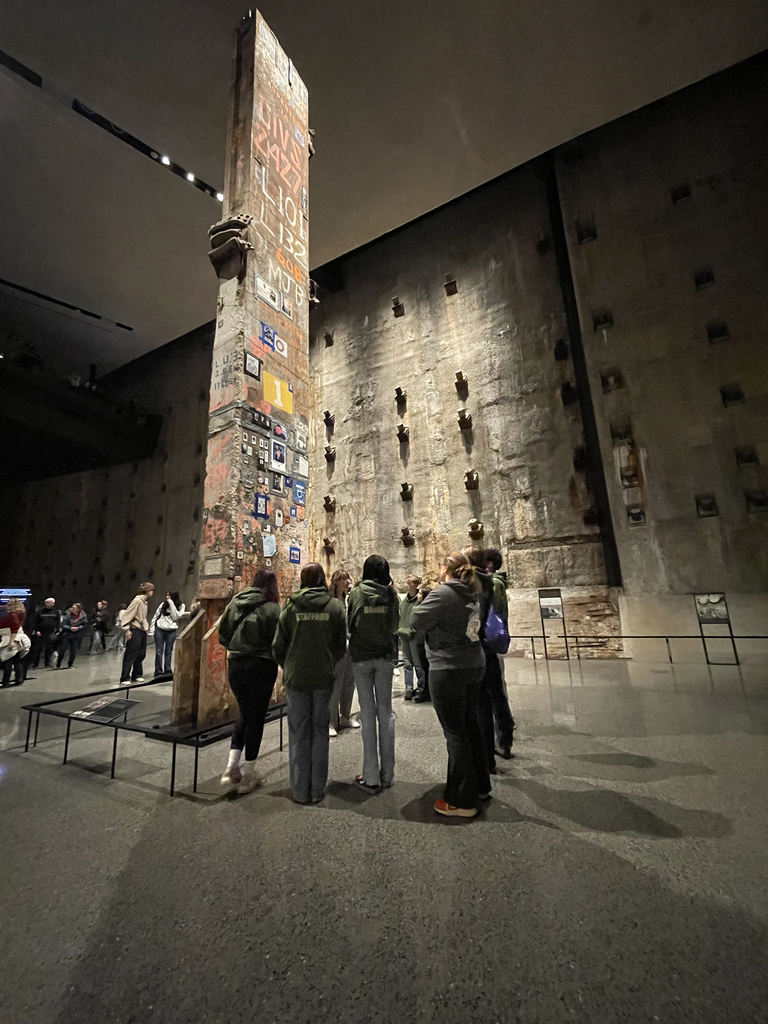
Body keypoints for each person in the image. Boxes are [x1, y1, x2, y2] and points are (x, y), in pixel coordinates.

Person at [410, 552, 489, 818]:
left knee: (455, 732)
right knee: (470, 725)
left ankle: (462, 801)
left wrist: (423, 601)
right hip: (474, 663)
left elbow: (416, 621)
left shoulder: (443, 593)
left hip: (449, 667)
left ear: (445, 569)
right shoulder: (473, 592)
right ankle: (480, 786)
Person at [273, 563, 346, 804]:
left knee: (298, 732)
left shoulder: (291, 607)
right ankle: (316, 790)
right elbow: (339, 646)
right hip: (323, 677)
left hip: (297, 678)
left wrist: (290, 663)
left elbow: (278, 645)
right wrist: (327, 662)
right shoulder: (334, 607)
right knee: (319, 732)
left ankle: (299, 790)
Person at [218, 570, 281, 793]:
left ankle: (230, 768)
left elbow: (223, 633)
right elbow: (277, 640)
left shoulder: (237, 602)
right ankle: (249, 773)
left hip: (236, 665)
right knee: (256, 718)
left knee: (245, 713)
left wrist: (238, 648)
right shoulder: (272, 608)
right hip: (261, 666)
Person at [347, 555, 399, 793]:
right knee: (386, 712)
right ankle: (388, 774)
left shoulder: (356, 593)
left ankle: (371, 775)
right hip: (386, 657)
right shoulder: (391, 595)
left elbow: (350, 626)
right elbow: (395, 625)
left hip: (362, 658)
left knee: (367, 714)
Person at [484, 548, 516, 759]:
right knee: (496, 691)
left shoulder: (494, 584)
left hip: (489, 642)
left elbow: (492, 612)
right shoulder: (496, 583)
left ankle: (503, 738)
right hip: (491, 641)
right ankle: (502, 735)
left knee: (495, 693)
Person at [328, 569, 359, 736]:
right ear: (336, 581)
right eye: (344, 579)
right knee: (336, 685)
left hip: (350, 646)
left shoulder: (348, 599)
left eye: (348, 578)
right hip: (337, 648)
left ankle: (345, 716)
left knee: (349, 682)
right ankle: (331, 721)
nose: (348, 581)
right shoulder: (331, 601)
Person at [119, 583, 155, 684]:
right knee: (131, 654)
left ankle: (137, 674)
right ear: (147, 591)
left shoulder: (144, 602)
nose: (153, 592)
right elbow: (127, 615)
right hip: (135, 630)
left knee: (141, 654)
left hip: (142, 630)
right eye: (151, 590)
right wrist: (126, 629)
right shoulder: (137, 601)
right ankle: (125, 677)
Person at [398, 575, 425, 701]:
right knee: (407, 663)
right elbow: (400, 616)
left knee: (418, 663)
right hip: (404, 634)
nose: (408, 585)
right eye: (407, 583)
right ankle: (408, 688)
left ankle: (421, 687)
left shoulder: (419, 601)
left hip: (415, 636)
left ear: (415, 585)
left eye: (410, 583)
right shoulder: (403, 602)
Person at [149, 591, 185, 677]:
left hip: (171, 631)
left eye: (169, 595)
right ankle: (158, 670)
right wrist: (151, 630)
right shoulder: (162, 605)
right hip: (160, 630)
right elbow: (156, 616)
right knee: (159, 651)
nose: (167, 597)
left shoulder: (181, 606)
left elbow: (175, 616)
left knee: (168, 651)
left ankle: (168, 669)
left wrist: (171, 603)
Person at [0, 599, 29, 686]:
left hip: (11, 637)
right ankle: (19, 679)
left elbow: (14, 629)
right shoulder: (20, 614)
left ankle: (6, 681)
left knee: (8, 659)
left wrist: (11, 642)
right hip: (19, 637)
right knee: (17, 660)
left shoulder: (12, 615)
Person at [412, 586, 432, 703]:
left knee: (426, 667)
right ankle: (425, 689)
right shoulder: (419, 606)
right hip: (419, 639)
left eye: (420, 593)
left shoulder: (426, 609)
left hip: (425, 640)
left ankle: (427, 691)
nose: (418, 595)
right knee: (424, 667)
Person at [30, 598, 61, 668]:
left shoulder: (56, 612)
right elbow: (35, 622)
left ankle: (47, 663)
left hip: (50, 632)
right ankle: (35, 664)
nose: (47, 604)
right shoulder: (40, 612)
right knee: (38, 649)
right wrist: (36, 630)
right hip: (41, 632)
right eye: (46, 603)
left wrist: (57, 630)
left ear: (53, 603)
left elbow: (57, 622)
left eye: (49, 602)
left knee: (49, 649)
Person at [56, 604, 88, 668]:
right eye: (72, 608)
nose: (72, 609)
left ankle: (70, 664)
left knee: (73, 650)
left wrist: (78, 628)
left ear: (78, 609)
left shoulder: (83, 616)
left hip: (76, 634)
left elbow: (85, 625)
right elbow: (62, 624)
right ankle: (58, 663)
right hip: (67, 634)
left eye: (74, 608)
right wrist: (69, 628)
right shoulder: (67, 615)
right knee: (62, 649)